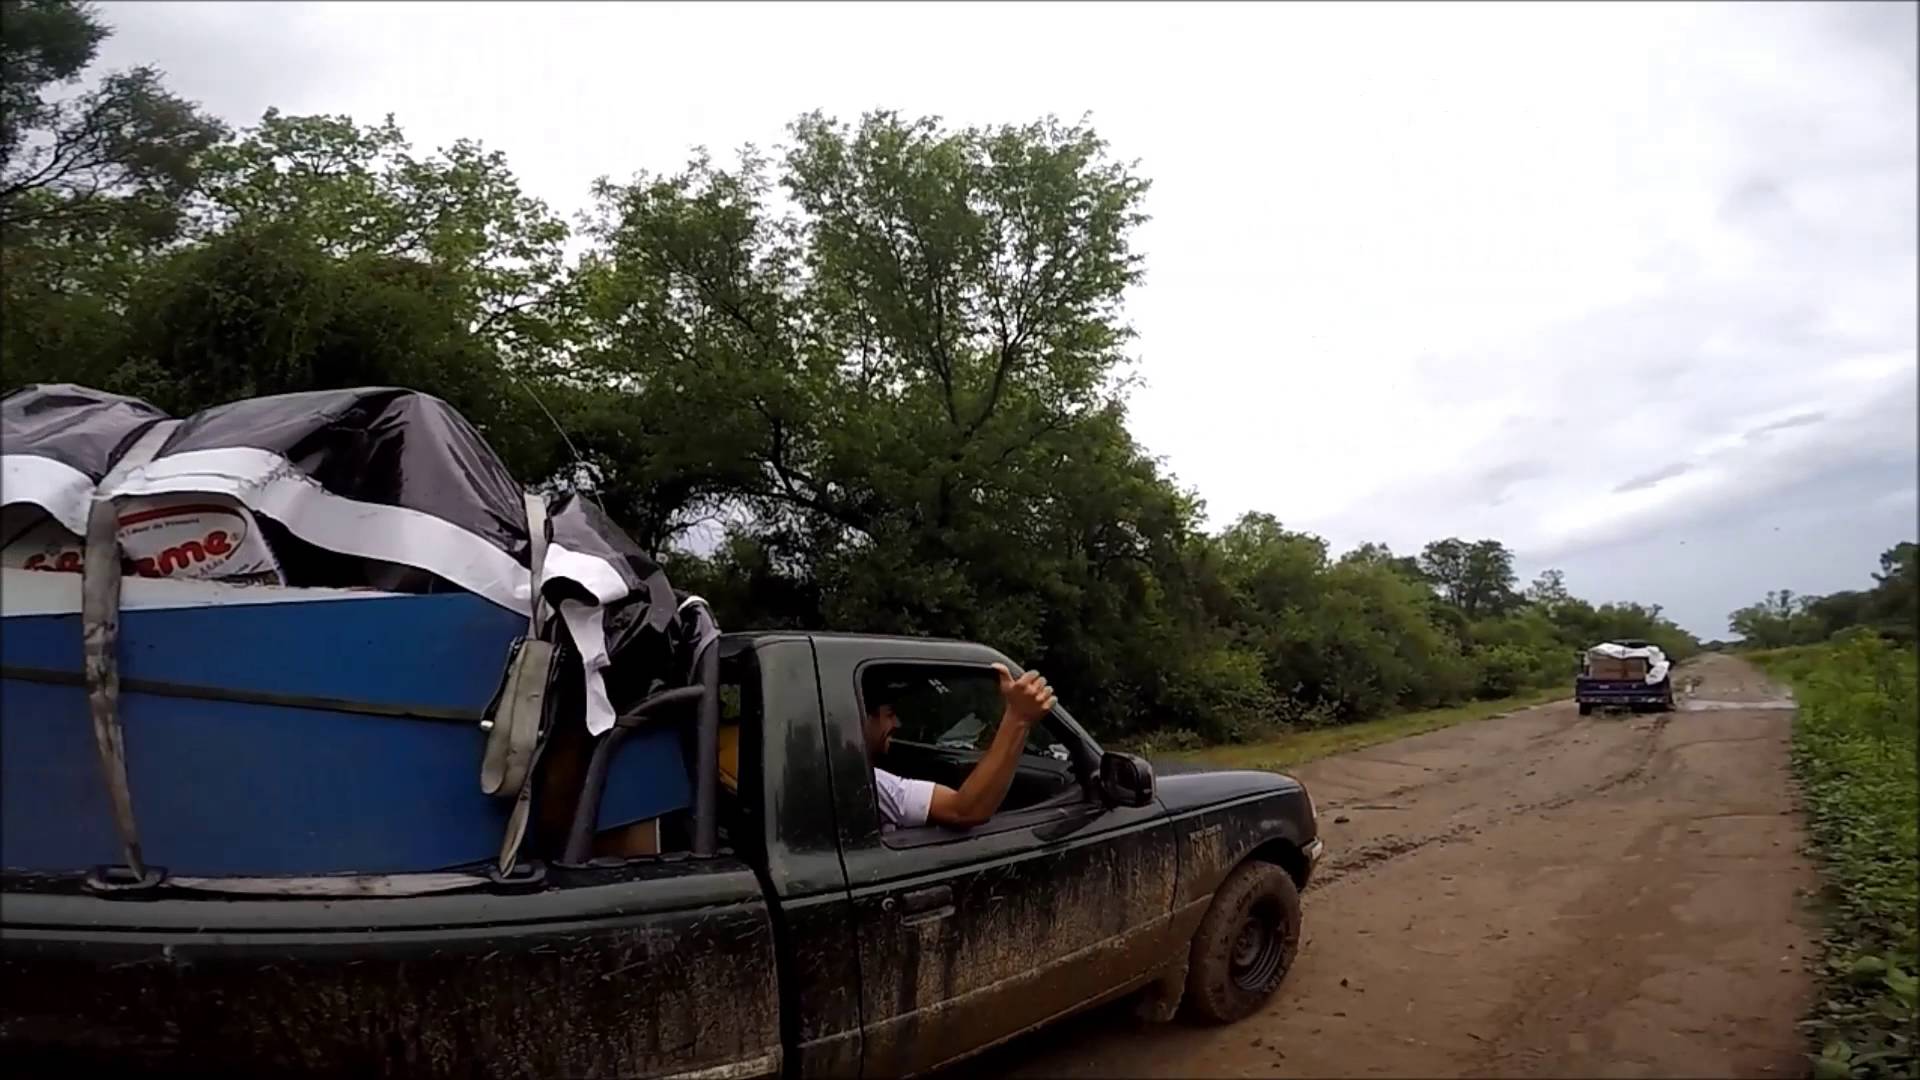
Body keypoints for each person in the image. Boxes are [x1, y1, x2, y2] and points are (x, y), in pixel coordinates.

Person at [866, 663, 1056, 830]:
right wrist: (1018, 718)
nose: (897, 723)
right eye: (888, 715)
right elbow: (964, 811)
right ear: (863, 719)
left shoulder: (863, 779)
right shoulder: (872, 785)